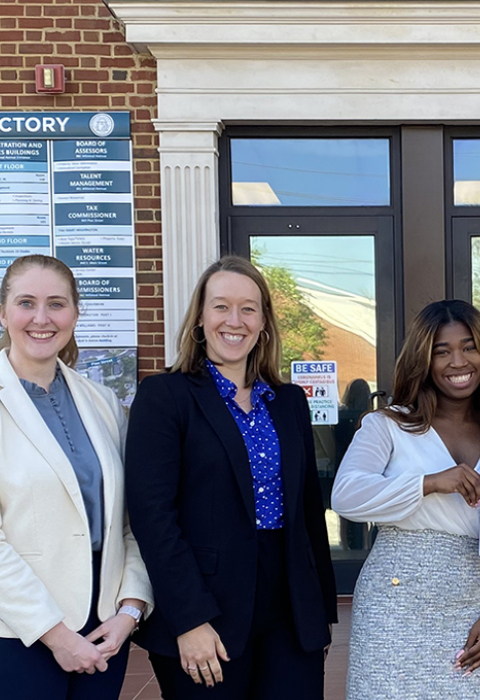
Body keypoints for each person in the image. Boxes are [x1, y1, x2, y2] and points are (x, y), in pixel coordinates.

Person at [0, 254, 153, 700]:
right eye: (26, 303)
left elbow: (130, 524)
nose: (41, 318)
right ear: (3, 313)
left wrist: (129, 610)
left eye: (56, 304)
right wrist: (56, 635)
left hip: (101, 631)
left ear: (75, 313)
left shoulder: (104, 402)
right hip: (8, 635)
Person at [124, 255, 337, 699]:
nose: (234, 320)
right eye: (221, 306)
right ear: (200, 318)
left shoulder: (288, 401)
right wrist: (189, 618)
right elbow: (152, 517)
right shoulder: (165, 397)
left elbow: (307, 510)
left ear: (263, 322)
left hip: (290, 610)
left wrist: (319, 614)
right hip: (206, 608)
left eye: (248, 308)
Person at [332, 299, 480, 698]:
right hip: (392, 604)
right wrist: (432, 482)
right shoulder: (387, 425)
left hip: (469, 606)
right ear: (424, 359)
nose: (458, 361)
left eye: (469, 347)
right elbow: (346, 495)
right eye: (442, 351)